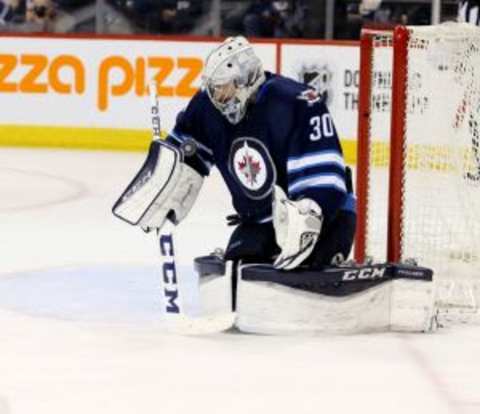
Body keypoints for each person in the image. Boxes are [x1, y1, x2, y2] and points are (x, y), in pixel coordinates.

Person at [115, 36, 356, 271]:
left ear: (245, 79)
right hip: (261, 221)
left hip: (328, 218)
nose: (216, 97)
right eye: (213, 88)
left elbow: (324, 180)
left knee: (308, 269)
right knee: (238, 269)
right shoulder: (207, 106)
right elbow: (185, 159)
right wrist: (163, 184)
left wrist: (308, 214)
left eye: (223, 88)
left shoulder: (297, 102)